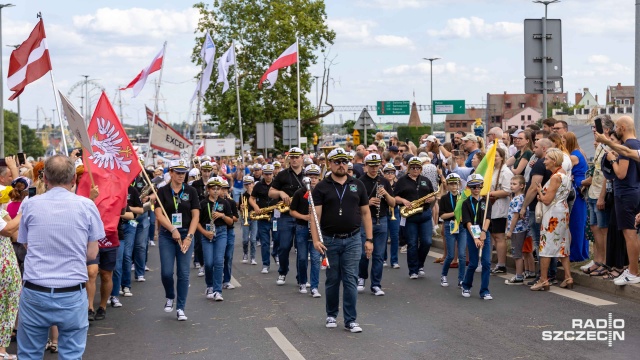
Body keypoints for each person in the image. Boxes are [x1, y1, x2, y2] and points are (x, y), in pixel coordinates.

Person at [17, 155, 104, 359]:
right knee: (72, 354)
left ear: (44, 178)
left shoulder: (30, 205)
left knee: (29, 354)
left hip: (35, 290)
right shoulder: (87, 205)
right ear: (74, 178)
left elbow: (27, 244)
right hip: (71, 292)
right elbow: (92, 253)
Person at [310, 147, 372, 333]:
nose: (341, 165)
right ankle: (331, 314)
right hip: (330, 239)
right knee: (333, 279)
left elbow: (366, 212)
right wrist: (315, 240)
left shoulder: (357, 184)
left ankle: (350, 320)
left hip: (353, 239)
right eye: (337, 162)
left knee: (351, 279)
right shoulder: (322, 186)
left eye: (344, 161)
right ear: (330, 164)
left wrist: (369, 239)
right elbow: (314, 216)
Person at [154, 159, 200, 320]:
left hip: (186, 233)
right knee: (167, 272)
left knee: (183, 273)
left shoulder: (191, 191)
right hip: (168, 235)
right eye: (178, 172)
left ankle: (181, 307)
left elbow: (196, 216)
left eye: (183, 172)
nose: (181, 175)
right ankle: (170, 296)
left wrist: (189, 237)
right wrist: (172, 229)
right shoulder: (163, 191)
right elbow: (158, 214)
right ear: (171, 173)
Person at [531, 148, 573, 291]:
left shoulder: (555, 177)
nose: (544, 161)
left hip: (552, 214)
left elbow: (547, 200)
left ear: (554, 161)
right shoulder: (565, 175)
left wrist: (539, 193)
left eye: (547, 159)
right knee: (563, 244)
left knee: (546, 246)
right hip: (563, 211)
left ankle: (543, 279)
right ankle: (568, 277)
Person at [356, 153, 395, 296]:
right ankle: (361, 277)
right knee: (362, 253)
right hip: (365, 221)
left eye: (376, 166)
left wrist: (385, 194)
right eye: (371, 166)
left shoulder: (384, 181)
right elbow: (355, 204)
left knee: (379, 255)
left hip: (382, 220)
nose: (374, 169)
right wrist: (368, 202)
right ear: (365, 166)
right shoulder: (359, 182)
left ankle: (376, 284)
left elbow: (393, 203)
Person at [394, 156, 437, 279]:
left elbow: (433, 195)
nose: (415, 169)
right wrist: (403, 200)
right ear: (408, 168)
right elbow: (395, 197)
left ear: (421, 169)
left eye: (418, 167)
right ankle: (413, 270)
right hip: (410, 216)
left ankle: (420, 264)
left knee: (427, 242)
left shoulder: (425, 180)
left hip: (424, 213)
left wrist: (431, 198)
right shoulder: (402, 181)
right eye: (413, 167)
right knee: (412, 243)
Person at [268, 148, 305, 285]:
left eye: (297, 157)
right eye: (292, 157)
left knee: (301, 251)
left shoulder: (307, 175)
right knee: (284, 247)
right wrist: (280, 193)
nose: (294, 159)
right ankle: (283, 272)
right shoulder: (282, 175)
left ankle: (301, 278)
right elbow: (270, 193)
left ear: (302, 157)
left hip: (302, 216)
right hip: (285, 216)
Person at [197, 177, 233, 301]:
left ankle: (218, 290)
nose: (216, 191)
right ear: (208, 189)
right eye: (213, 189)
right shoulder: (202, 203)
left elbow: (230, 221)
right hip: (207, 233)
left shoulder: (224, 203)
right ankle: (209, 285)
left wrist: (222, 215)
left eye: (218, 188)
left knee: (218, 261)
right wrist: (205, 233)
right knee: (208, 263)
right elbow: (196, 222)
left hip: (221, 232)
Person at [289, 164, 323, 297]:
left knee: (315, 258)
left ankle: (314, 287)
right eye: (310, 177)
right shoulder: (299, 193)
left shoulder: (321, 192)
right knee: (302, 257)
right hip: (302, 227)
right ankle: (302, 281)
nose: (313, 180)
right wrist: (305, 216)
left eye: (315, 177)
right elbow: (292, 211)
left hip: (316, 228)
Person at [110, 183, 144, 308]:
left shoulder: (131, 190)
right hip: (114, 227)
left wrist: (119, 211)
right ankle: (115, 289)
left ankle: (126, 286)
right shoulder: (109, 190)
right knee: (115, 263)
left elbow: (139, 211)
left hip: (129, 226)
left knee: (126, 255)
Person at [460, 174, 493, 300]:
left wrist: (484, 232)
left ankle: (484, 290)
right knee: (473, 263)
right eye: (473, 186)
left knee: (486, 262)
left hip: (484, 233)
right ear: (469, 187)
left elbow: (488, 217)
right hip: (472, 234)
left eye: (478, 186)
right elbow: (468, 221)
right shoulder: (466, 203)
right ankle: (466, 285)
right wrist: (475, 237)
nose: (476, 189)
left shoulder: (486, 201)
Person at [563, 132, 589, 262]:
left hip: (576, 190)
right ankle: (583, 252)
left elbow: (564, 170)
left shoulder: (572, 156)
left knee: (576, 223)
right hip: (580, 188)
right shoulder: (580, 152)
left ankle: (576, 254)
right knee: (581, 222)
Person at [488, 148, 513, 274]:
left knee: (499, 236)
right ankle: (498, 262)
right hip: (492, 206)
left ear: (502, 158)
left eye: (497, 156)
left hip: (500, 206)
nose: (494, 158)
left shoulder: (505, 172)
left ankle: (502, 264)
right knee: (494, 235)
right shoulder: (492, 170)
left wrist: (490, 193)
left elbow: (507, 190)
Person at [438, 173, 466, 288]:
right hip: (449, 225)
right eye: (452, 183)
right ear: (448, 185)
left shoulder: (463, 197)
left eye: (456, 183)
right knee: (450, 255)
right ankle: (443, 275)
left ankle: (461, 279)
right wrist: (454, 213)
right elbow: (442, 216)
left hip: (462, 227)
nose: (454, 186)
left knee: (462, 255)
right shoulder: (444, 198)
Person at [0, 209, 21, 360]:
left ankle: (2, 350)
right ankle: (1, 351)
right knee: (8, 308)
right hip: (5, 268)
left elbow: (15, 235)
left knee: (8, 308)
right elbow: (9, 232)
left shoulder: (2, 212)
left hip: (7, 268)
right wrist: (23, 213)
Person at [250, 164, 278, 274]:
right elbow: (251, 199)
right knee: (265, 242)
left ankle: (275, 253)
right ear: (263, 174)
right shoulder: (258, 185)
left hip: (275, 216)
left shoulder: (277, 185)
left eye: (270, 174)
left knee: (278, 238)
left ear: (273, 173)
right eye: (266, 174)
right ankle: (266, 264)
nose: (268, 176)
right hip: (262, 217)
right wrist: (256, 207)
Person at [505, 175, 531, 284]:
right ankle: (529, 271)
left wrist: (510, 230)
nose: (512, 186)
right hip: (523, 228)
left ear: (522, 186)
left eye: (514, 184)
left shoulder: (517, 199)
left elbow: (515, 216)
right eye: (511, 184)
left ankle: (519, 276)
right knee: (524, 252)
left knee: (517, 253)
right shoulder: (523, 198)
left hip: (517, 229)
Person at [221, 179, 239, 289]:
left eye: (225, 189)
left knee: (228, 256)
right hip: (217, 230)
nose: (223, 191)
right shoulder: (214, 202)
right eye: (221, 189)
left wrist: (226, 216)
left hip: (229, 230)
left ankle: (227, 280)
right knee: (218, 257)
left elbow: (236, 218)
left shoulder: (231, 202)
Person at [382, 163, 401, 268]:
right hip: (385, 211)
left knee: (394, 236)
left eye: (392, 172)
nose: (390, 174)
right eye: (387, 172)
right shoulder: (381, 184)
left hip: (395, 211)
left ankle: (394, 261)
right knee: (383, 236)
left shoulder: (398, 184)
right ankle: (384, 258)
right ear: (384, 173)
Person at [240, 175, 258, 265]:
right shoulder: (243, 195)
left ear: (253, 184)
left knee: (253, 239)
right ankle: (245, 253)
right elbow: (240, 209)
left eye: (250, 183)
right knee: (245, 239)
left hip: (254, 217)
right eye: (246, 184)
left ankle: (253, 257)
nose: (248, 186)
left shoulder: (257, 194)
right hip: (245, 218)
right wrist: (241, 208)